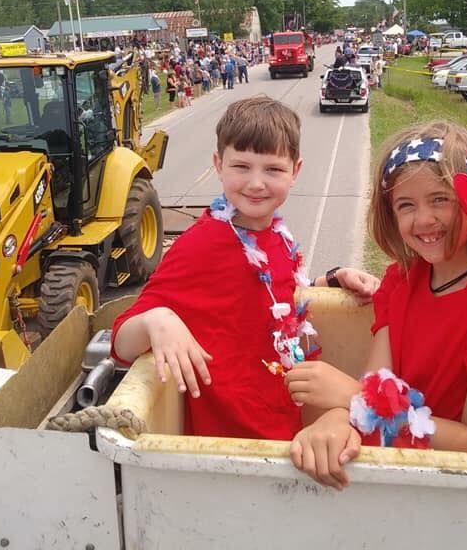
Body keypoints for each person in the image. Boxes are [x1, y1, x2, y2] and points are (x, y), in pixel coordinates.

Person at [285, 121, 467, 490]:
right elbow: (379, 382)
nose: (424, 219)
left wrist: (353, 398)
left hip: (448, 484)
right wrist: (337, 420)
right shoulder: (402, 278)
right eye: (406, 205)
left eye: (441, 199)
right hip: (383, 461)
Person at [110, 96, 380, 441]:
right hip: (230, 441)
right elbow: (121, 340)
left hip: (281, 421)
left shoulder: (276, 235)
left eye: (273, 169)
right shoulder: (200, 246)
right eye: (241, 167)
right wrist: (155, 320)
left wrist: (329, 280)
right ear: (218, 164)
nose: (256, 183)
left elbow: (268, 293)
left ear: (295, 171)